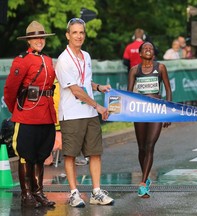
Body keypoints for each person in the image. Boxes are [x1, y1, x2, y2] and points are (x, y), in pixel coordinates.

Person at [55, 18, 114, 207]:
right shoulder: (63, 60)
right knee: (71, 154)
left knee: (95, 153)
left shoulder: (86, 56)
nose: (78, 36)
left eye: (81, 32)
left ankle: (96, 192)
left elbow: (85, 84)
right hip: (72, 114)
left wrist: (99, 87)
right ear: (67, 35)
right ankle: (74, 193)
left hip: (89, 114)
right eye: (74, 32)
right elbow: (76, 90)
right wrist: (98, 106)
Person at [3, 21, 56, 208]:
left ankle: (38, 192)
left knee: (41, 154)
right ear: (29, 40)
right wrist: (16, 110)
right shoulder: (22, 60)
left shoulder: (48, 60)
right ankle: (26, 195)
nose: (39, 40)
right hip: (27, 114)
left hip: (46, 114)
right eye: (35, 38)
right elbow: (10, 89)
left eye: (41, 37)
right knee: (26, 154)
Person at [127, 41, 172, 198]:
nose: (148, 50)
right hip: (139, 111)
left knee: (150, 145)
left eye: (151, 48)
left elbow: (167, 89)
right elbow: (129, 94)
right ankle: (145, 178)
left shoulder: (160, 68)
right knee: (141, 147)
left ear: (154, 53)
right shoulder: (134, 70)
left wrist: (167, 111)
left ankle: (143, 182)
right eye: (145, 48)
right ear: (140, 53)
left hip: (156, 110)